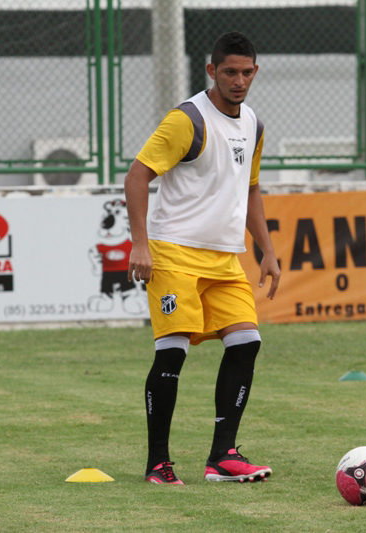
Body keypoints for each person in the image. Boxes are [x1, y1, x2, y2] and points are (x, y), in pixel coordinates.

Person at [124, 31, 280, 485]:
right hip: (173, 253)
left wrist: (266, 251)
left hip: (225, 259)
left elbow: (249, 188)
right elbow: (137, 177)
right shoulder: (186, 119)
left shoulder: (253, 123)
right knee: (172, 354)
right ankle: (158, 463)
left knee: (246, 342)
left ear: (256, 71)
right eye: (229, 71)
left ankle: (222, 457)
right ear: (211, 71)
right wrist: (139, 243)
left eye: (246, 72)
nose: (238, 80)